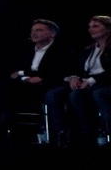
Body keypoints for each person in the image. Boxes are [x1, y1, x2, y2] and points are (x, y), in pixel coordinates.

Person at [46, 16, 111, 147]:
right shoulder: (88, 49)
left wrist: (92, 80)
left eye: (96, 26)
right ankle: (66, 133)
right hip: (88, 84)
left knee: (94, 94)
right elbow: (77, 68)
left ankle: (98, 133)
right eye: (89, 27)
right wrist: (73, 77)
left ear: (108, 29)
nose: (91, 29)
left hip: (105, 83)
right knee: (55, 93)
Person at [0, 18, 61, 137]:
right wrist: (25, 78)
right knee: (4, 85)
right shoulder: (26, 50)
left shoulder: (60, 51)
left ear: (52, 34)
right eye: (33, 31)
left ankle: (56, 132)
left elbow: (55, 71)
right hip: (27, 84)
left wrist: (23, 73)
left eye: (39, 30)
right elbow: (13, 73)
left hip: (49, 84)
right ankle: (3, 127)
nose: (34, 33)